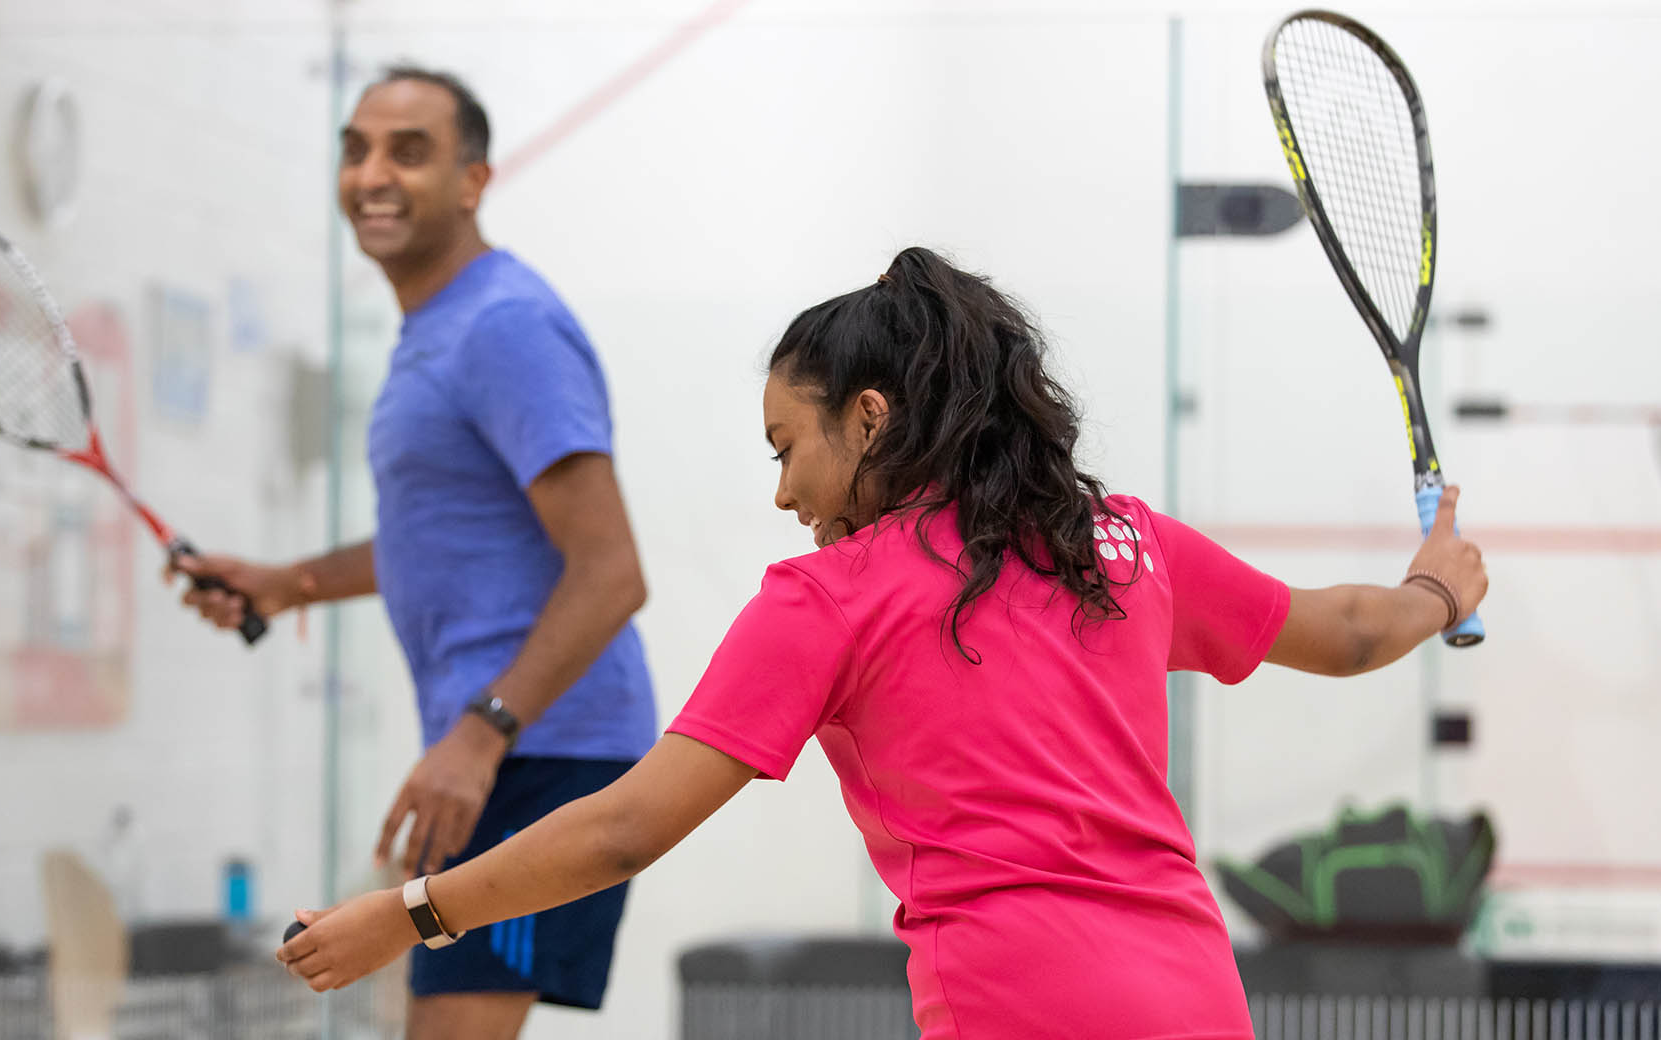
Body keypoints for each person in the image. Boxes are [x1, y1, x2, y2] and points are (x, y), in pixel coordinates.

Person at [272, 247, 1489, 1039]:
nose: (783, 490)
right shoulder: (1122, 543)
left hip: (1021, 1005)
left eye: (783, 447)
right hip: (1197, 998)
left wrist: (416, 910)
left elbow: (627, 823)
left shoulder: (828, 595)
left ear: (869, 417)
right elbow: (1349, 629)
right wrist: (1435, 587)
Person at [172, 66, 657, 1038]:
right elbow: (448, 537)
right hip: (507, 744)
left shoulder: (502, 324)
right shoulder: (437, 329)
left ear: (473, 180)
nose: (371, 173)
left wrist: (478, 737)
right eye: (355, 149)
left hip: (540, 754)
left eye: (408, 149)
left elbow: (611, 572)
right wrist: (290, 580)